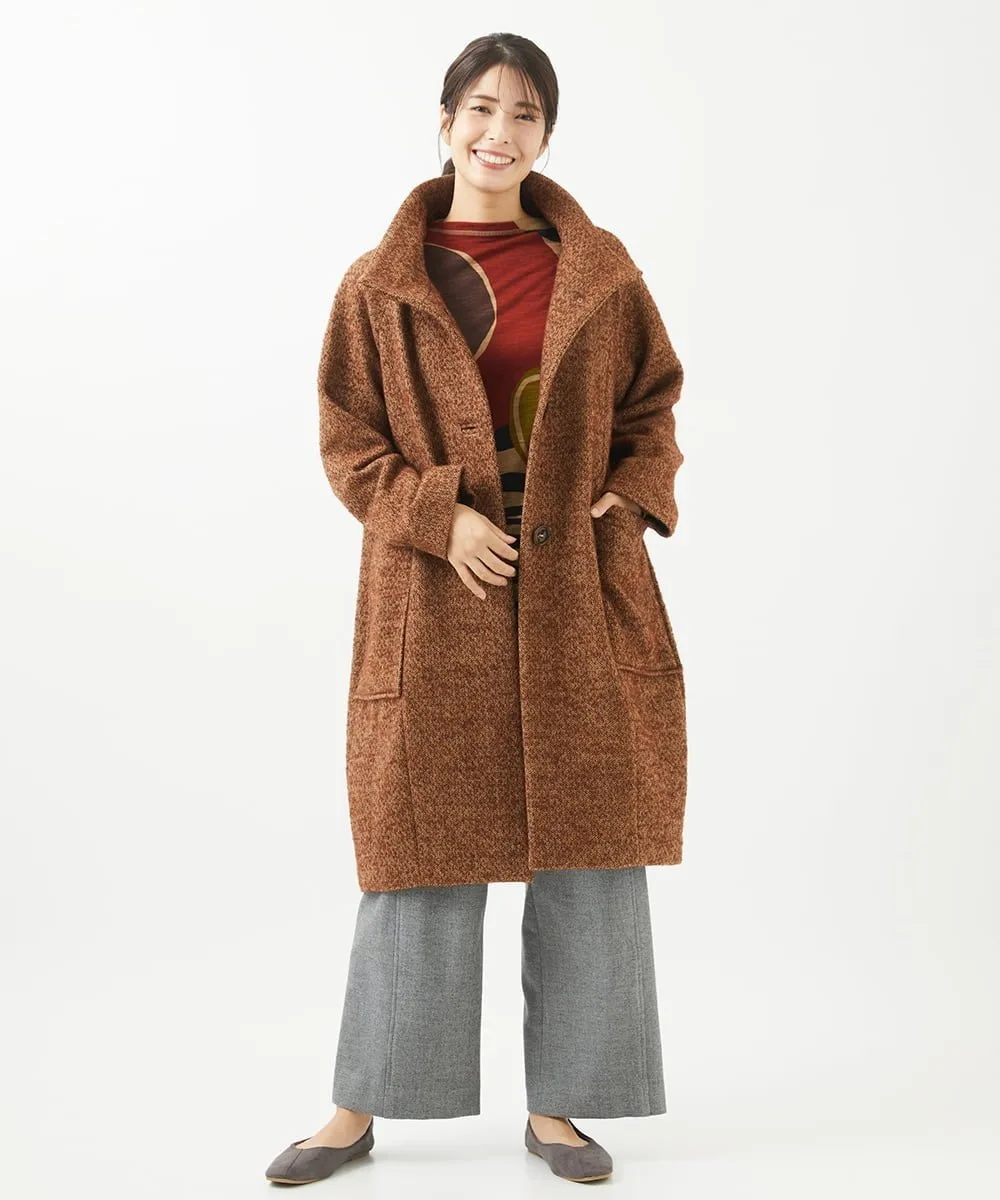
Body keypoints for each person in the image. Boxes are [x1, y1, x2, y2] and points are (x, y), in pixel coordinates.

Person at [266, 31, 687, 1186]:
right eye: (482, 109)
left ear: (546, 136)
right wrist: (435, 517)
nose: (500, 133)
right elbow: (347, 439)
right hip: (434, 595)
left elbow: (653, 404)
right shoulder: (380, 284)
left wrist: (627, 491)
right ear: (445, 121)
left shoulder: (599, 272)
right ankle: (356, 1110)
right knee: (417, 848)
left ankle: (560, 1109)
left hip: (576, 594)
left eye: (526, 114)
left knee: (588, 846)